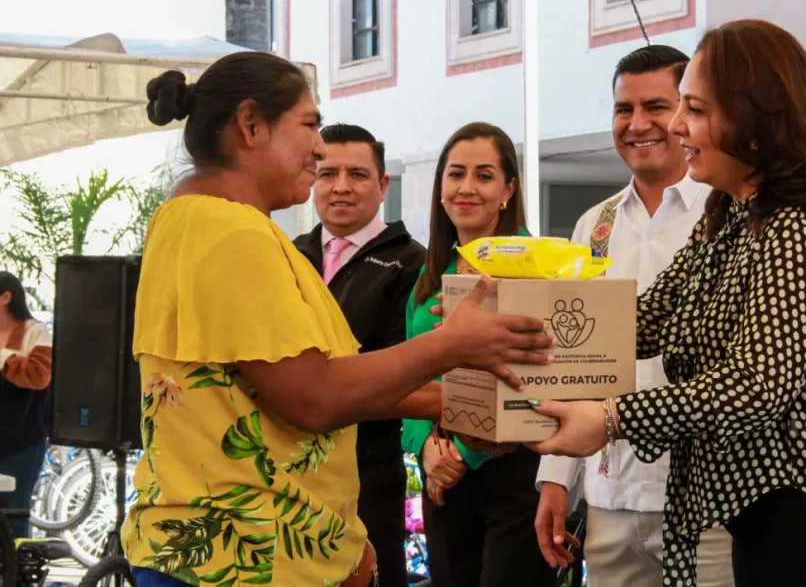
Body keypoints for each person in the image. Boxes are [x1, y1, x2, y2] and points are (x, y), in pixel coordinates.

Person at [122, 53, 554, 587]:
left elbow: (291, 382)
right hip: (244, 558)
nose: (320, 148)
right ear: (251, 125)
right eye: (309, 124)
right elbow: (315, 395)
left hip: (236, 548)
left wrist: (454, 404)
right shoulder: (231, 232)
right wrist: (451, 346)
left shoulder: (197, 219)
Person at [527, 19, 806, 587]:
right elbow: (643, 320)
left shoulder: (802, 228)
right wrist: (508, 331)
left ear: (755, 124)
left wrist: (610, 418)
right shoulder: (728, 216)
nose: (677, 126)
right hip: (756, 515)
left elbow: (757, 383)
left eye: (694, 110)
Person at [534, 45, 733, 587]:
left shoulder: (729, 214)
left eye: (656, 106)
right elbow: (573, 364)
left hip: (708, 499)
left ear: (689, 113)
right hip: (609, 499)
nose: (639, 124)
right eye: (624, 109)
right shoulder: (591, 227)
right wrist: (555, 478)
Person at [401, 122, 556, 587]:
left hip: (516, 472)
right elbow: (407, 373)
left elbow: (537, 375)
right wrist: (424, 449)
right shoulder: (430, 274)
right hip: (441, 474)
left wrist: (462, 456)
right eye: (455, 175)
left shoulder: (540, 265)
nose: (466, 188)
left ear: (509, 189)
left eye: (484, 176)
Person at [294, 122, 429, 587]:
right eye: (328, 173)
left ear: (382, 184)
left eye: (358, 174)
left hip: (367, 469)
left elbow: (402, 369)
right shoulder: (291, 255)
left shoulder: (414, 263)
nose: (341, 187)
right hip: (289, 472)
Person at [0, 272, 52, 539]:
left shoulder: (35, 332)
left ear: (6, 297)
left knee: (14, 514)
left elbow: (38, 377)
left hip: (23, 439)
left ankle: (18, 577)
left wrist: (5, 358)